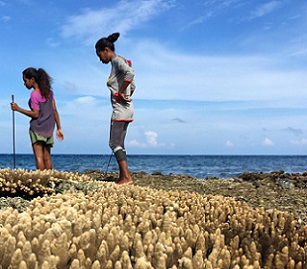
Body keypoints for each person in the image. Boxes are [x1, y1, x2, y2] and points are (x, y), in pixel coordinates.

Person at [95, 32, 135, 185]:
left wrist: (120, 93)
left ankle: (126, 177)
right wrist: (127, 93)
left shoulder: (117, 61)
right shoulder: (119, 62)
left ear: (106, 50)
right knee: (120, 143)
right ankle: (123, 176)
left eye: (100, 55)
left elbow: (130, 73)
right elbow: (134, 84)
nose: (100, 59)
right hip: (128, 109)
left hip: (120, 110)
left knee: (114, 143)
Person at [10, 67, 64, 170]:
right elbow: (54, 110)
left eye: (25, 81)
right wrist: (59, 128)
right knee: (47, 158)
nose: (24, 84)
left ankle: (42, 181)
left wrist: (18, 109)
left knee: (39, 157)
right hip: (49, 128)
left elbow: (35, 114)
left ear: (32, 80)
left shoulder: (34, 94)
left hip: (37, 128)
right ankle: (50, 180)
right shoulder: (49, 93)